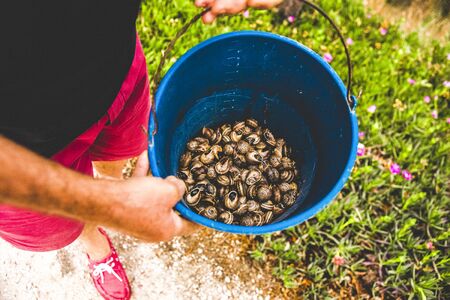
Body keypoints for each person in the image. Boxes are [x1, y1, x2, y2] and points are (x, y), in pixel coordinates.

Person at [0, 0, 282, 299]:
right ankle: (94, 241)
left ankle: (111, 183)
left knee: (118, 156)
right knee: (64, 223)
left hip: (115, 70)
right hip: (22, 162)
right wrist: (110, 206)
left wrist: (114, 194)